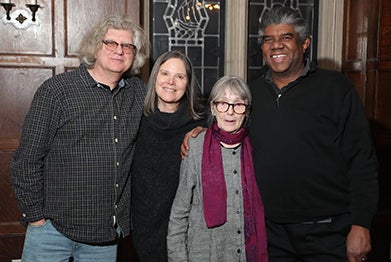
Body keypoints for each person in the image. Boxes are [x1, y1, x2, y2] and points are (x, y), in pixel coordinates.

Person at [9, 14, 149, 262]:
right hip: (52, 232)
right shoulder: (57, 91)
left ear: (134, 55)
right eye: (111, 43)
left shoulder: (138, 93)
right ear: (95, 47)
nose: (119, 51)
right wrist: (36, 218)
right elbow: (26, 159)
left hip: (104, 236)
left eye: (127, 46)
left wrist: (197, 131)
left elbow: (173, 112)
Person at [248, 6, 378, 262]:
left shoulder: (335, 88)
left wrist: (361, 224)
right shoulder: (250, 93)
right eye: (268, 39)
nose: (276, 46)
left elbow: (362, 159)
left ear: (305, 43)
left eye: (286, 38)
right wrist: (196, 134)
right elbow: (225, 131)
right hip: (270, 233)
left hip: (328, 232)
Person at [168, 76, 268, 262]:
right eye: (223, 103)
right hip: (205, 254)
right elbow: (179, 212)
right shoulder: (195, 147)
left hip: (245, 254)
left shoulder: (255, 148)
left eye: (238, 104)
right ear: (213, 108)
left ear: (246, 111)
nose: (230, 112)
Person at [131, 50, 206, 261]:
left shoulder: (201, 124)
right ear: (154, 77)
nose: (171, 82)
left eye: (180, 76)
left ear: (188, 83)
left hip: (186, 231)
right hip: (142, 228)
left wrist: (207, 133)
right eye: (165, 74)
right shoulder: (135, 119)